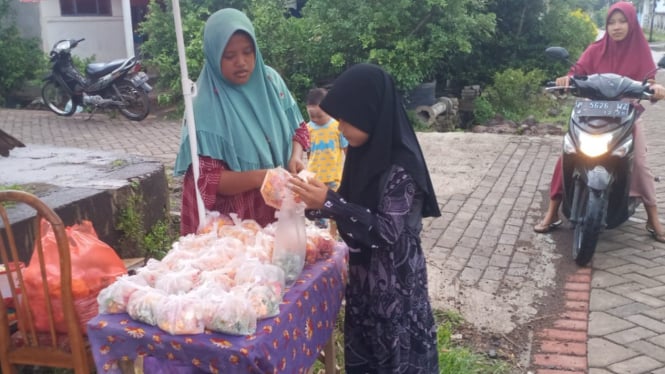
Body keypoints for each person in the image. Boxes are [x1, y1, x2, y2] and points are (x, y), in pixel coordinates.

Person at [289, 64, 441, 373]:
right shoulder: (362, 156)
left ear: (370, 112)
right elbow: (348, 204)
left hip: (395, 290)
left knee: (395, 360)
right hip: (364, 285)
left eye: (346, 119)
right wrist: (307, 201)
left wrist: (330, 202)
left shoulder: (402, 167)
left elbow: (386, 230)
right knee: (366, 357)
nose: (340, 127)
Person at [534, 1, 665, 242]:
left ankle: (653, 218)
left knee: (641, 164)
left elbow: (648, 80)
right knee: (566, 155)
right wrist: (567, 79)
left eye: (622, 21)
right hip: (591, 111)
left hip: (626, 113)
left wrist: (655, 88)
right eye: (611, 22)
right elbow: (578, 71)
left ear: (632, 24)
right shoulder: (596, 48)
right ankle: (552, 213)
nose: (617, 27)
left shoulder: (641, 49)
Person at [173, 8, 309, 235]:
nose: (241, 62)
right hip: (233, 224)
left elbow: (299, 128)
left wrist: (295, 157)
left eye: (248, 52)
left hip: (280, 208)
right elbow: (208, 180)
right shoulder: (204, 105)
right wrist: (262, 177)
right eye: (230, 55)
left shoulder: (271, 82)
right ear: (215, 56)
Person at [305, 87, 348, 229]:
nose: (316, 119)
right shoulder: (308, 129)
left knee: (336, 210)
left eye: (320, 115)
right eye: (312, 116)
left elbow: (346, 150)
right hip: (315, 179)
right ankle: (322, 238)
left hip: (334, 178)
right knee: (320, 213)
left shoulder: (338, 127)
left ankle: (337, 235)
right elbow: (309, 154)